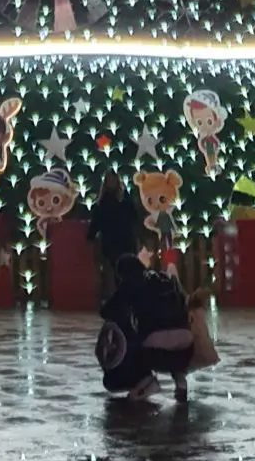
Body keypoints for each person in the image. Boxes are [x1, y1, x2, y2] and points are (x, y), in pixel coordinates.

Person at [95, 252, 213, 402]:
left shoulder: (131, 283)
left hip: (156, 339)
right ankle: (181, 383)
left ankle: (147, 382)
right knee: (176, 354)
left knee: (136, 348)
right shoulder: (164, 279)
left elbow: (106, 311)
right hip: (185, 339)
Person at [86, 170, 139, 293]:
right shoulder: (103, 202)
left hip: (125, 240)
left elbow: (133, 217)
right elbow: (97, 220)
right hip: (111, 242)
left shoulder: (125, 199)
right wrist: (91, 236)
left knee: (126, 271)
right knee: (114, 271)